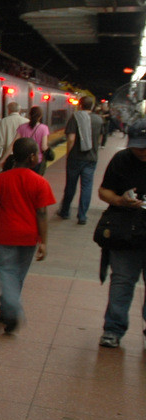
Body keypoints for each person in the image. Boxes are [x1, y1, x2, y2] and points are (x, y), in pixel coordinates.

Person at [0, 137, 56, 334]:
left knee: (6, 273)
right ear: (31, 157)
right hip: (29, 238)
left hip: (7, 236)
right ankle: (6, 314)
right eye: (37, 154)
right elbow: (42, 214)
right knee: (17, 277)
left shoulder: (0, 180)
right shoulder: (40, 182)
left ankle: (12, 311)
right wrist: (43, 242)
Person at [96, 118, 146, 348]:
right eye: (137, 146)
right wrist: (120, 200)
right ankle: (113, 329)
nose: (141, 151)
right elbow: (103, 191)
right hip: (125, 232)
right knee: (122, 280)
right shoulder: (122, 160)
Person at [57, 96, 104, 224]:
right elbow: (100, 139)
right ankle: (82, 216)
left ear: (80, 105)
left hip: (75, 158)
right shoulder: (99, 119)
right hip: (91, 158)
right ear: (92, 106)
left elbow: (71, 139)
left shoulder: (75, 117)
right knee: (87, 187)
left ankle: (65, 211)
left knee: (70, 185)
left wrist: (68, 154)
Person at [16, 105, 50, 174]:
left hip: (23, 160)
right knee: (35, 179)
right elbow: (43, 147)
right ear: (40, 116)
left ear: (29, 115)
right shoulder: (44, 128)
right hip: (37, 160)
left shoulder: (22, 127)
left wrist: (4, 158)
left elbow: (15, 143)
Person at [0, 102, 27, 171]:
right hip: (23, 156)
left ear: (9, 110)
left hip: (7, 156)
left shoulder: (3, 122)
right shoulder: (26, 121)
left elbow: (0, 140)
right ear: (19, 110)